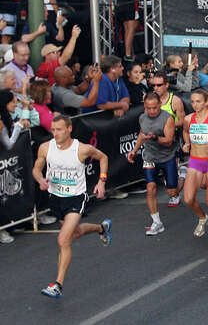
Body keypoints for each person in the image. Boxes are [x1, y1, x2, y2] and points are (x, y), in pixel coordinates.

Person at [34, 115, 112, 298]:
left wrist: (101, 182)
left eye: (59, 129)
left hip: (76, 198)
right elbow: (37, 168)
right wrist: (40, 179)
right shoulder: (46, 147)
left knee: (63, 240)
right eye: (53, 130)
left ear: (69, 129)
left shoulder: (82, 149)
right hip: (56, 198)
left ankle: (58, 285)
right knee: (75, 233)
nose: (55, 133)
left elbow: (103, 158)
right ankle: (102, 228)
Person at [125, 91, 177, 235]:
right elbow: (142, 134)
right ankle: (156, 222)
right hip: (149, 157)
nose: (152, 111)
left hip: (167, 157)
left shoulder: (168, 119)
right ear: (145, 107)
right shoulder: (142, 118)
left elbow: (168, 141)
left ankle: (182, 176)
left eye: (155, 107)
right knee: (151, 188)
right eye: (149, 108)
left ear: (160, 105)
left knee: (173, 192)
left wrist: (154, 137)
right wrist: (134, 150)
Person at [182, 89, 208, 238]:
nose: (195, 105)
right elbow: (186, 132)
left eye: (198, 101)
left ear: (205, 102)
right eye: (192, 102)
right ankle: (203, 218)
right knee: (188, 199)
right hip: (195, 161)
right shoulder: (188, 119)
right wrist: (187, 143)